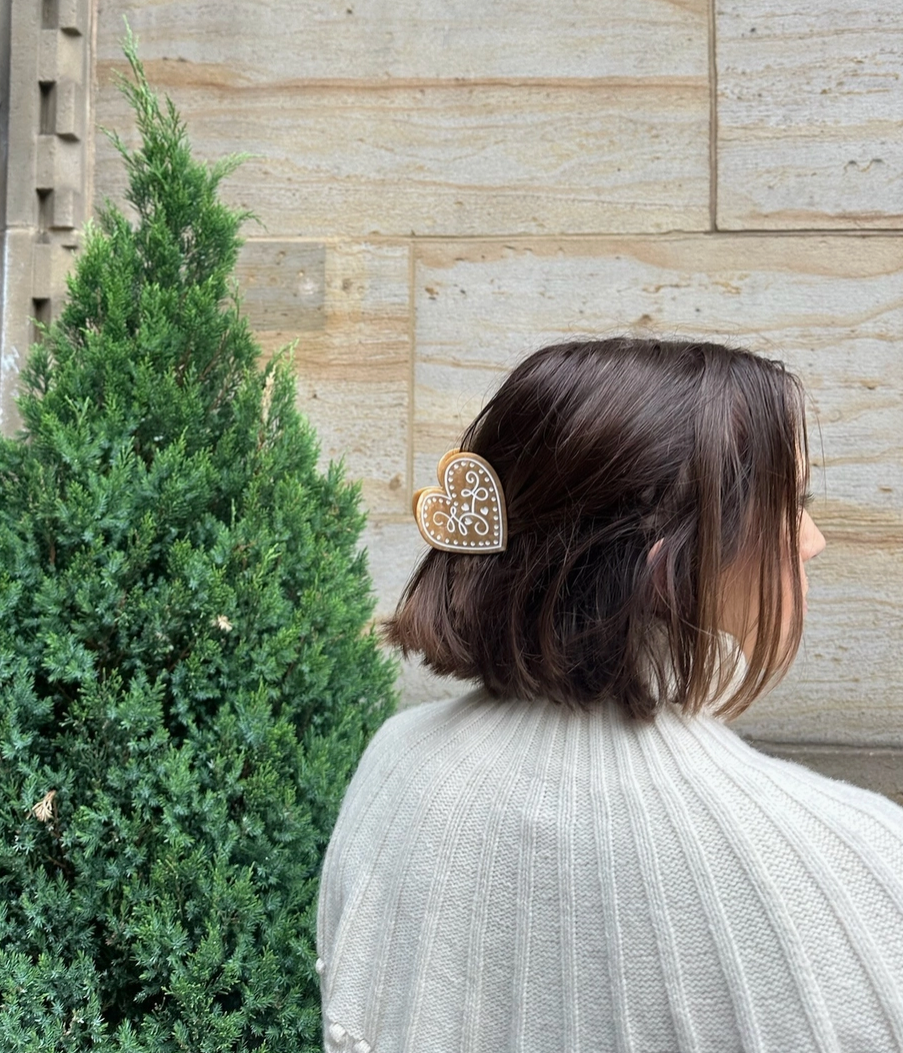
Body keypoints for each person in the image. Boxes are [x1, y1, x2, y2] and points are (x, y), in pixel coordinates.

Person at [316, 338, 903, 1053]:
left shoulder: (393, 762)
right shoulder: (860, 865)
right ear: (670, 571)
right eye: (795, 502)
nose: (812, 540)